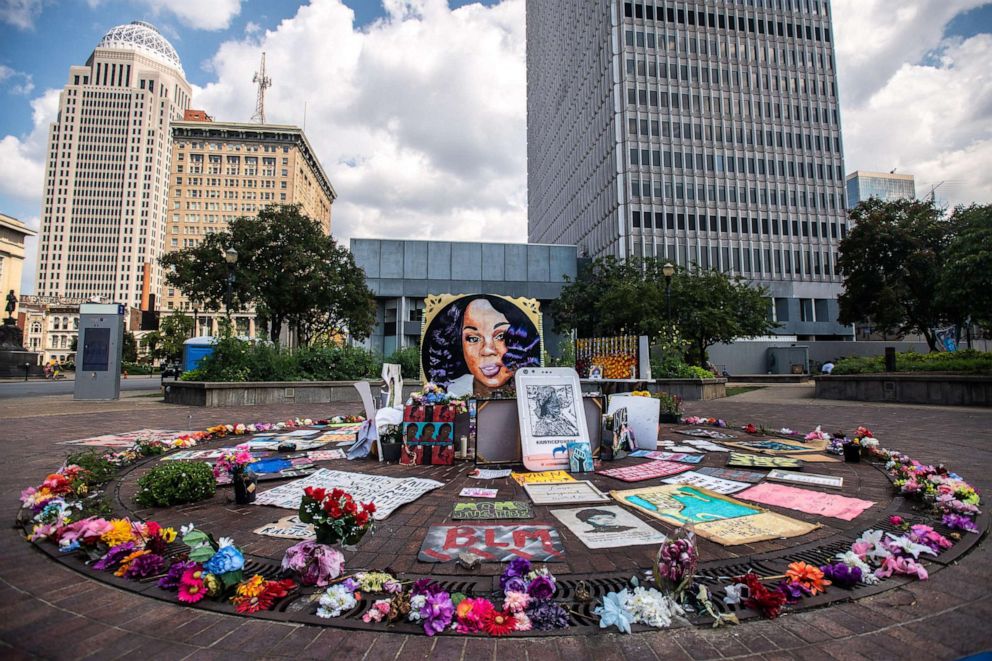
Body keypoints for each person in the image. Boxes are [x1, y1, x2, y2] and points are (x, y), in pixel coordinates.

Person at [422, 295, 541, 397]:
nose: (487, 350)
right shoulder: (450, 392)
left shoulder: (532, 395)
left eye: (501, 336)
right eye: (473, 338)